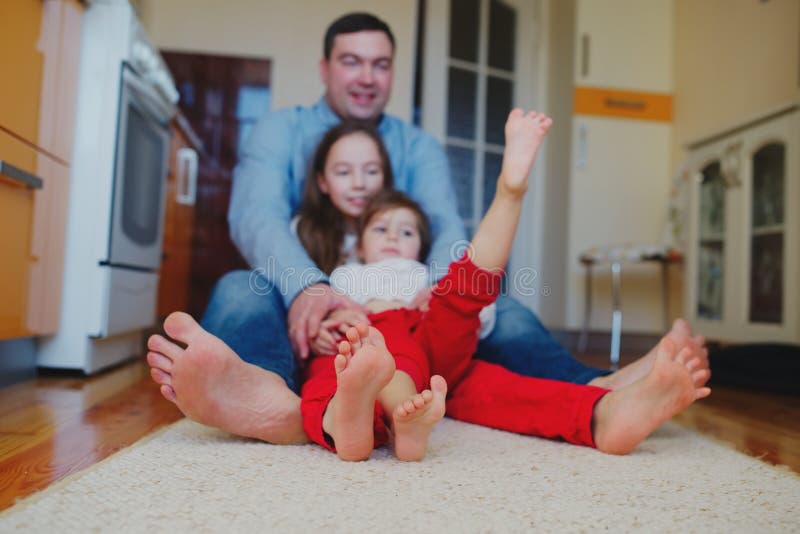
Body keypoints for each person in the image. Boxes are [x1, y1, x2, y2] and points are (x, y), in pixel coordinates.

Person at [145, 12, 709, 445]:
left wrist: (434, 293)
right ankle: (265, 395)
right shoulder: (280, 130)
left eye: (381, 64)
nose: (367, 77)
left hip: (407, 321)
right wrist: (313, 290)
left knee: (498, 307)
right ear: (324, 69)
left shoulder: (417, 146)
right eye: (351, 61)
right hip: (304, 299)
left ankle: (592, 390)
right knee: (240, 289)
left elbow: (447, 227)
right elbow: (255, 217)